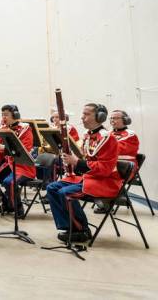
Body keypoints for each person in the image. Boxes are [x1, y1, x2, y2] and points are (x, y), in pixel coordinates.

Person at [46, 103, 122, 243]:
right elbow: (85, 161)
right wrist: (70, 162)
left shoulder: (107, 138)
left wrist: (77, 162)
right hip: (90, 178)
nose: (82, 117)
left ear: (100, 117)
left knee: (65, 192)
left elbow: (104, 169)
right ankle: (69, 227)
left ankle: (82, 230)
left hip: (105, 182)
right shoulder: (88, 136)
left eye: (86, 114)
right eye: (83, 113)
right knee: (52, 188)